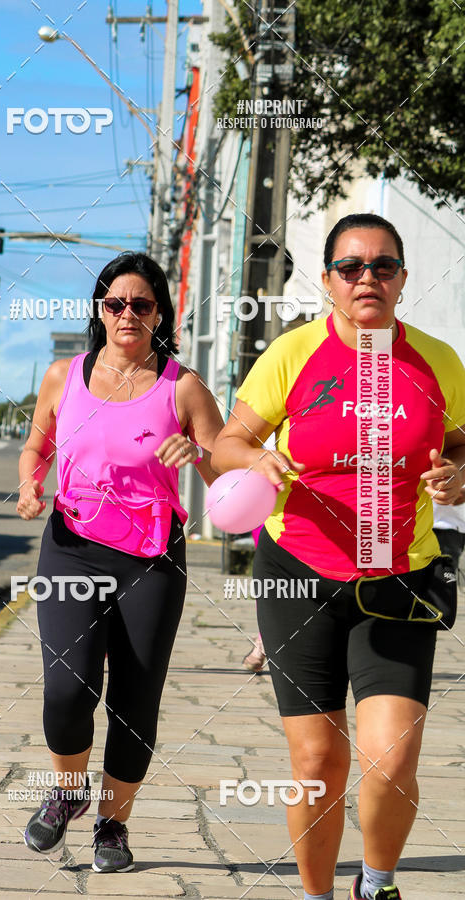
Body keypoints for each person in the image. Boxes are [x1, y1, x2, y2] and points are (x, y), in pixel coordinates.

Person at [212, 213, 465, 900]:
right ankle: (317, 895)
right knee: (318, 760)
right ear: (327, 281)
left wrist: (458, 473)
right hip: (299, 575)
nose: (367, 279)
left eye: (383, 266)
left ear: (403, 280)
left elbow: (462, 441)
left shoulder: (437, 361)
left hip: (400, 574)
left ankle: (376, 882)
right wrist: (257, 456)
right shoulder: (292, 355)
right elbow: (225, 444)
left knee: (391, 760)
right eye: (351, 267)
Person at [17, 251, 223, 873]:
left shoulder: (182, 386)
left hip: (152, 558)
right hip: (73, 546)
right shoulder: (64, 375)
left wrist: (197, 453)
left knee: (135, 700)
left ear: (160, 313)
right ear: (99, 311)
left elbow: (227, 473)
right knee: (66, 686)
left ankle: (113, 826)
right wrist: (31, 485)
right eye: (115, 303)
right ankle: (66, 791)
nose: (127, 314)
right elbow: (38, 444)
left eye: (141, 304)